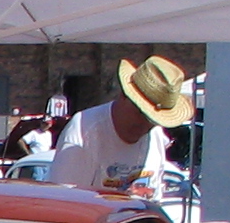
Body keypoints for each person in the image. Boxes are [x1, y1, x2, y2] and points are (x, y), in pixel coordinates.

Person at [47, 56, 192, 193]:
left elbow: (154, 196)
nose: (145, 125)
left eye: (153, 120)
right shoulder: (84, 131)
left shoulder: (156, 136)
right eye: (140, 113)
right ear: (123, 95)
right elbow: (65, 203)